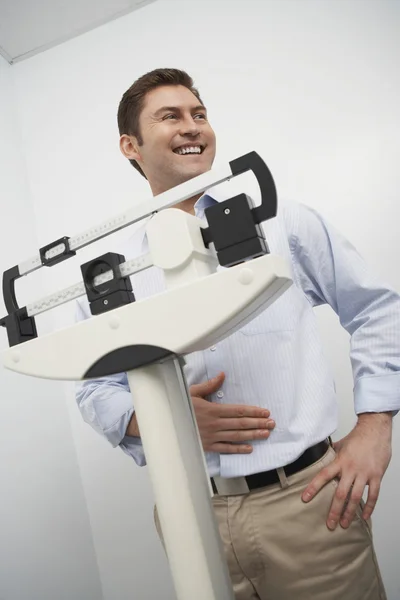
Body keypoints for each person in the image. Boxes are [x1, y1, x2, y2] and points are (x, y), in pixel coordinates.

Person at [75, 68, 400, 600]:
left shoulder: (283, 222)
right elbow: (93, 387)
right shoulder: (114, 273)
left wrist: (375, 425)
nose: (192, 126)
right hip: (188, 515)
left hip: (308, 509)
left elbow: (378, 310)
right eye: (170, 116)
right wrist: (154, 422)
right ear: (130, 146)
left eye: (199, 115)